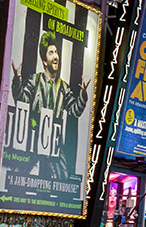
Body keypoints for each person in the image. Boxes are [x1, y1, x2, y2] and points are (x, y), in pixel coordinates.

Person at [11, 31, 89, 180]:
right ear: (44, 61)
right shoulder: (35, 80)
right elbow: (23, 100)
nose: (56, 56)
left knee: (63, 177)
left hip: (54, 145)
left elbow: (74, 111)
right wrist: (16, 82)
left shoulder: (63, 87)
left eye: (56, 52)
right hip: (33, 142)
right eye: (51, 52)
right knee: (18, 175)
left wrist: (83, 96)